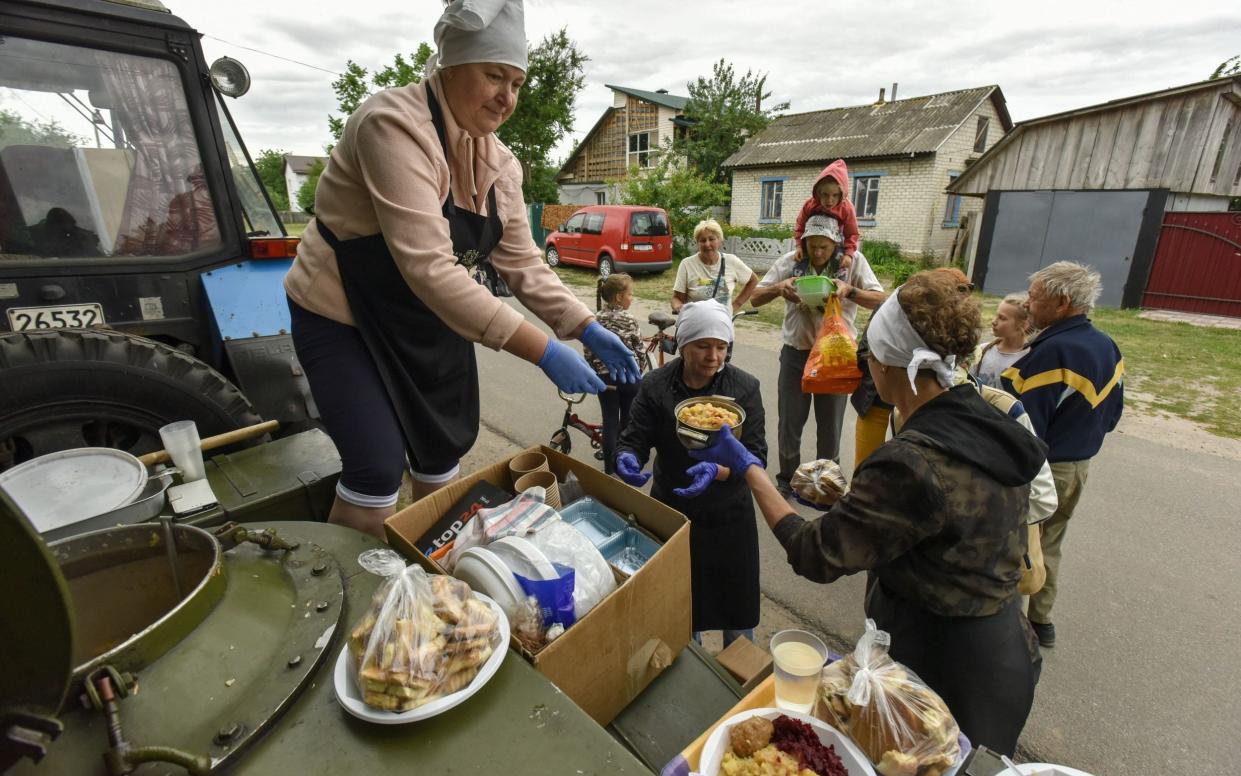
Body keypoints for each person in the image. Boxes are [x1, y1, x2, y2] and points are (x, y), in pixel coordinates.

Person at [282, 0, 640, 539]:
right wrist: (542, 351)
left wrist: (584, 325)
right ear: (450, 66)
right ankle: (349, 597)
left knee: (441, 456)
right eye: (495, 76)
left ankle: (427, 576)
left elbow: (521, 263)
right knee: (377, 474)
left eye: (517, 83)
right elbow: (430, 269)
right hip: (344, 317)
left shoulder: (501, 164)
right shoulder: (392, 126)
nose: (507, 97)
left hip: (426, 321)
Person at [690, 271, 1048, 755]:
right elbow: (942, 519)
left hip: (942, 670)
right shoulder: (981, 416)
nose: (867, 364)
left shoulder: (910, 460)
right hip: (1003, 649)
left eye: (870, 353)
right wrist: (853, 505)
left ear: (891, 362)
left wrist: (751, 468)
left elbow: (814, 555)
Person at [614, 300, 766, 646]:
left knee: (737, 606)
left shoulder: (744, 388)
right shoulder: (655, 386)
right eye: (703, 346)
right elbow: (634, 437)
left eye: (721, 347)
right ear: (683, 346)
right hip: (674, 509)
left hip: (729, 515)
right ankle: (690, 663)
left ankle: (740, 680)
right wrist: (628, 458)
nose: (714, 356)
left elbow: (757, 456)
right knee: (681, 602)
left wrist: (719, 471)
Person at [1002, 261, 1124, 648]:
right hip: (1079, 466)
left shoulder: (1052, 352)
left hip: (1043, 470)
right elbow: (1113, 415)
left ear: (1062, 302)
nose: (1028, 304)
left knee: (1019, 546)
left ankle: (1010, 629)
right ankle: (1042, 622)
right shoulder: (1106, 346)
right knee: (1051, 542)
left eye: (1035, 298)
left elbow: (1023, 426)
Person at [750, 214, 885, 495]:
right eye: (813, 247)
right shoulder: (790, 261)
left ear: (836, 243)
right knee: (790, 421)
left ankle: (828, 482)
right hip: (796, 353)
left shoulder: (853, 262)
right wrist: (778, 288)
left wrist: (850, 290)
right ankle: (787, 479)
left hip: (834, 356)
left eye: (825, 247)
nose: (819, 253)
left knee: (830, 425)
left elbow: (879, 300)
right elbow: (755, 297)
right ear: (804, 242)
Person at [587, 274, 644, 475]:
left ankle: (608, 470)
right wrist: (641, 369)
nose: (632, 298)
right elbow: (640, 349)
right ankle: (625, 463)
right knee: (627, 422)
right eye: (630, 294)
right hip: (629, 378)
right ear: (619, 297)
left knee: (610, 421)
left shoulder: (595, 319)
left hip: (605, 380)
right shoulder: (630, 320)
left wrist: (595, 369)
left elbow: (589, 350)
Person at [671, 218, 758, 313]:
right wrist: (678, 307)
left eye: (711, 239)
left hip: (722, 324)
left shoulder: (731, 261)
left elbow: (753, 280)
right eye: (703, 240)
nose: (707, 244)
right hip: (695, 323)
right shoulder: (687, 264)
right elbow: (677, 298)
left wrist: (736, 305)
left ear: (720, 241)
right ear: (697, 243)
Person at [792, 159, 859, 277]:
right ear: (818, 192)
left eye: (835, 195)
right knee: (800, 262)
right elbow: (800, 225)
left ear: (842, 194)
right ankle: (799, 287)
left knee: (839, 265)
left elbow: (852, 233)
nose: (829, 200)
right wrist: (798, 246)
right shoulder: (810, 205)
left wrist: (848, 254)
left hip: (834, 243)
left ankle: (836, 290)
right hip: (811, 240)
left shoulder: (846, 208)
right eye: (825, 195)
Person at [971, 293, 1033, 389]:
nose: (994, 321)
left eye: (1002, 318)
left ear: (1024, 325)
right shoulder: (982, 350)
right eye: (996, 315)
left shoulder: (1029, 358)